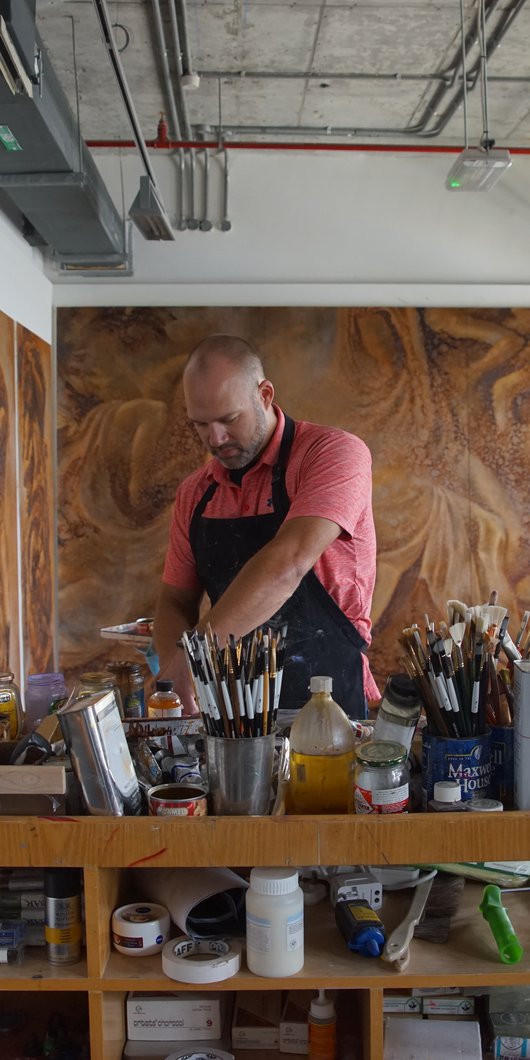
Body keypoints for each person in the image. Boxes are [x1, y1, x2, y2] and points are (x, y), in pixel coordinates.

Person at [154, 334, 379, 717]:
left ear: (265, 395)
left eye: (229, 419)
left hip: (328, 707)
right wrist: (174, 676)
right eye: (200, 425)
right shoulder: (196, 492)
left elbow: (289, 562)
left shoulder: (333, 453)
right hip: (231, 715)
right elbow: (175, 601)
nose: (215, 439)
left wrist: (192, 657)